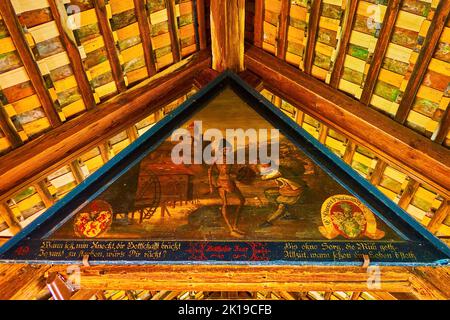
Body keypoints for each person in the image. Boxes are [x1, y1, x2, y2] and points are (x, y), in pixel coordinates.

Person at [208, 139, 246, 238]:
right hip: (222, 182)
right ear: (221, 149)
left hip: (229, 181)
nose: (226, 150)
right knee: (225, 204)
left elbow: (231, 171)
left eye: (228, 149)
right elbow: (210, 171)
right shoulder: (217, 158)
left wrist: (240, 173)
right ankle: (231, 229)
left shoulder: (230, 158)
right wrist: (211, 185)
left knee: (242, 200)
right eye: (224, 149)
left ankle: (235, 226)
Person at [259, 163, 304, 228]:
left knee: (281, 206)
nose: (263, 168)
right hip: (287, 190)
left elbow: (264, 178)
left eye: (264, 166)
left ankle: (268, 221)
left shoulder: (278, 171)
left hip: (294, 192)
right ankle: (289, 213)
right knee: (269, 192)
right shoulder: (277, 169)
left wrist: (264, 173)